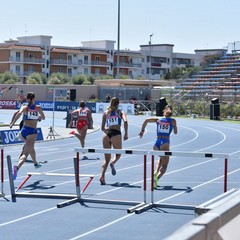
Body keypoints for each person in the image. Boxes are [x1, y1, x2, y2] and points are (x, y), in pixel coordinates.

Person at [139, 105, 177, 189]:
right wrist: (174, 126)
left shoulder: (158, 119)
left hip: (156, 144)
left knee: (161, 159)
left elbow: (146, 120)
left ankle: (155, 173)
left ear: (164, 111)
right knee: (165, 166)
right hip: (165, 143)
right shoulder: (173, 121)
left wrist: (142, 131)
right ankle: (156, 179)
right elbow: (175, 132)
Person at [9, 92, 45, 180]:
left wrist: (12, 123)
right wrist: (37, 118)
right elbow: (43, 117)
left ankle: (36, 163)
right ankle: (16, 168)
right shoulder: (38, 108)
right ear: (33, 99)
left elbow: (18, 114)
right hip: (32, 132)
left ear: (27, 99)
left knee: (31, 147)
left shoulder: (24, 107)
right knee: (25, 154)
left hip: (24, 130)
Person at [99, 97, 128, 185]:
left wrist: (108, 133)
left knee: (106, 158)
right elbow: (125, 121)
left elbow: (102, 128)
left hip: (106, 134)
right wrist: (126, 133)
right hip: (116, 133)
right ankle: (113, 163)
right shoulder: (120, 112)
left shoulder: (105, 113)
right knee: (118, 154)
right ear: (118, 104)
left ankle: (102, 176)